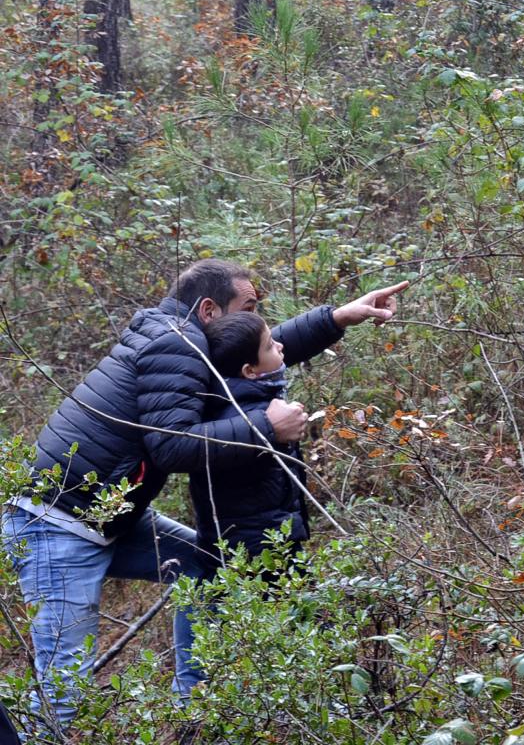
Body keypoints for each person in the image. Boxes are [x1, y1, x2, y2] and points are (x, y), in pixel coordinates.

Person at [1, 258, 407, 739]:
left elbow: (252, 352)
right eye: (249, 307)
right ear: (210, 309)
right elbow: (172, 444)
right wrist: (266, 427)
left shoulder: (180, 334)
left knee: (205, 566)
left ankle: (192, 705)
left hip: (101, 517)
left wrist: (336, 317)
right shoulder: (176, 343)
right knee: (64, 684)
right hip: (57, 528)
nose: (256, 320)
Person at [191, 311, 312, 575]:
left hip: (256, 548)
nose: (280, 346)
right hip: (262, 554)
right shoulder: (250, 418)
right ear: (250, 371)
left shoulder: (230, 407)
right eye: (270, 345)